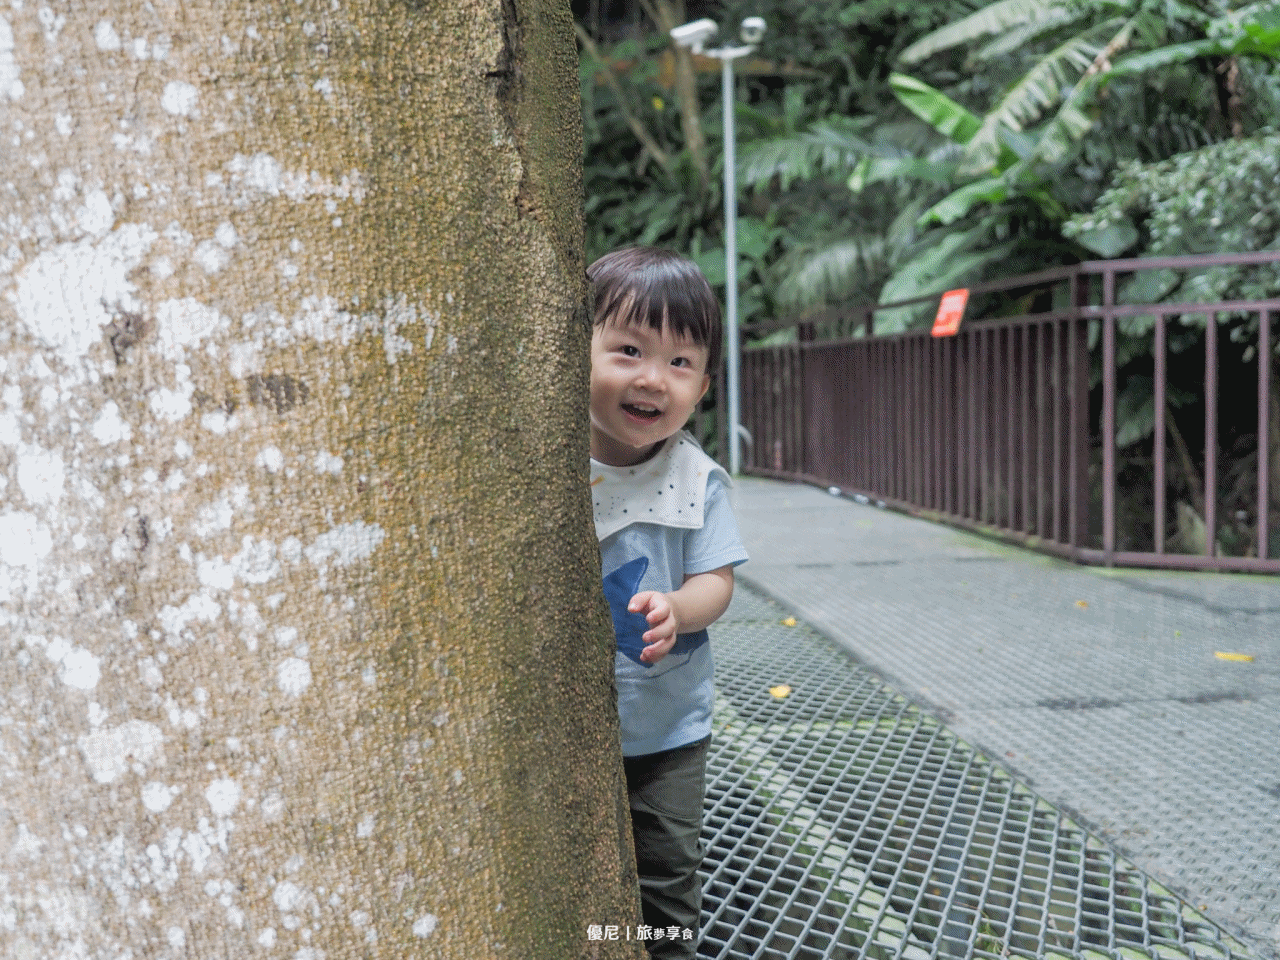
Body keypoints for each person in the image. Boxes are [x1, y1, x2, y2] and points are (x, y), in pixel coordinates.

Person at [587, 246, 749, 959]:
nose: (653, 378)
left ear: (705, 384)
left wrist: (679, 610)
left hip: (668, 734)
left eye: (680, 362)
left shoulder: (697, 478)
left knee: (666, 880)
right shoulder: (544, 459)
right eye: (627, 350)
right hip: (569, 731)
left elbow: (718, 578)